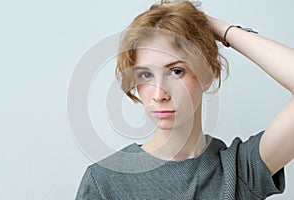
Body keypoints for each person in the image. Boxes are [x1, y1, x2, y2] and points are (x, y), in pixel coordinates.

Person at [76, 0, 294, 199]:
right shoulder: (105, 182)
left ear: (207, 75)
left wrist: (216, 28)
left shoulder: (239, 172)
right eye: (146, 75)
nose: (160, 94)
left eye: (176, 71)